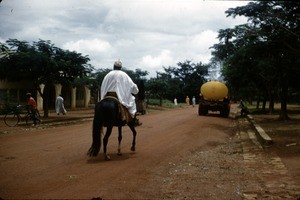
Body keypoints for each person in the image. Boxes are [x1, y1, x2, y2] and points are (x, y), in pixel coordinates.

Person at [100, 59, 142, 126]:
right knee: (132, 102)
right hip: (119, 97)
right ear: (120, 67)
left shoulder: (108, 75)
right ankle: (133, 119)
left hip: (106, 96)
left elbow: (103, 86)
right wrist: (136, 90)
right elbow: (133, 87)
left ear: (113, 66)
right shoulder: (124, 75)